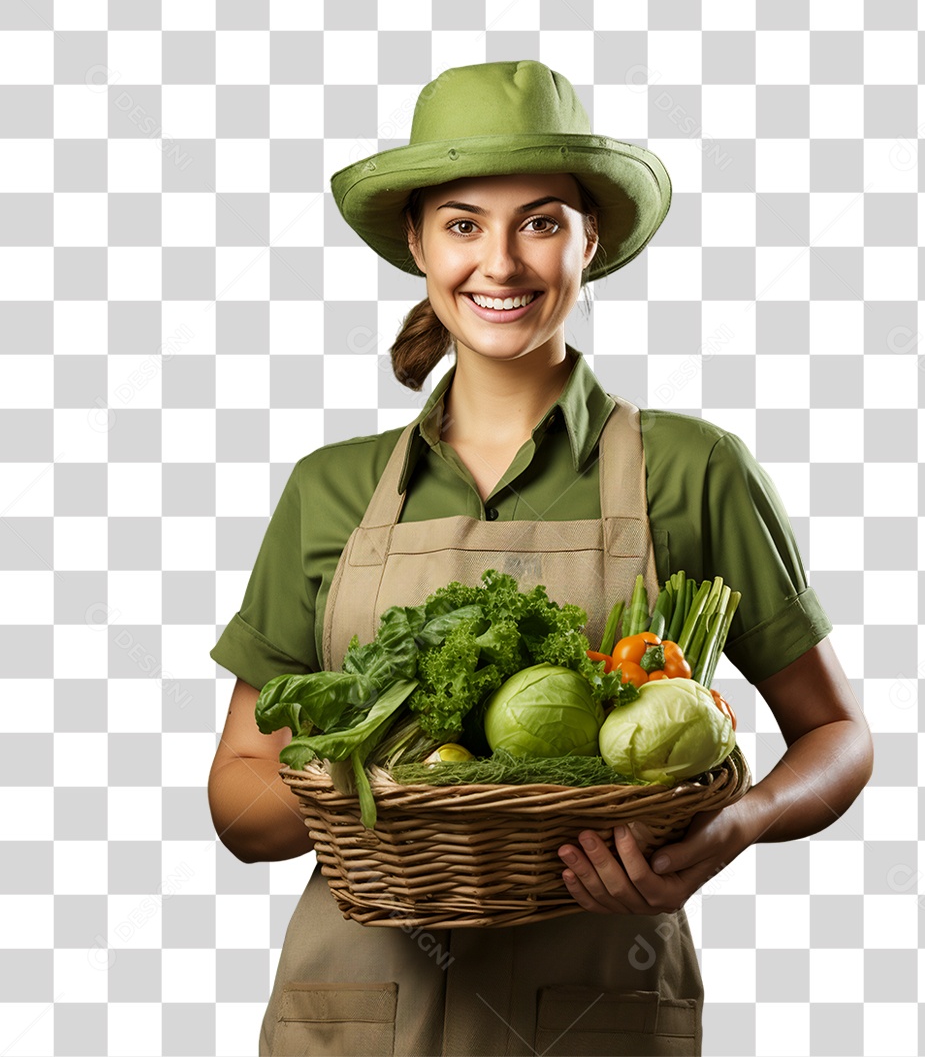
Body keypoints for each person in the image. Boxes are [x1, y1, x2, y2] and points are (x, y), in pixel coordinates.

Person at [207, 60, 873, 1057]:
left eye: (541, 223)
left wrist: (732, 828)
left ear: (589, 241)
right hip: (352, 1011)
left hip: (592, 1010)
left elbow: (837, 735)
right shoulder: (330, 488)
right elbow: (241, 792)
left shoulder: (692, 469)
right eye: (464, 224)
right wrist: (377, 783)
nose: (502, 263)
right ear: (418, 243)